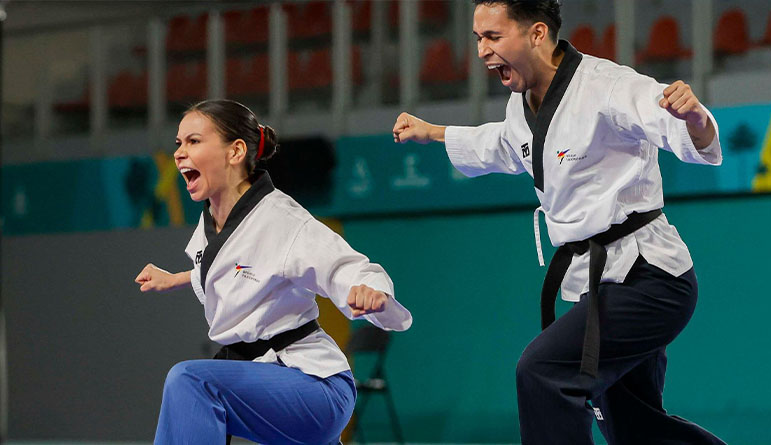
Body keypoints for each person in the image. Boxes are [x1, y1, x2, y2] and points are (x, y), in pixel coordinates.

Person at [392, 1, 724, 443]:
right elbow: (505, 145)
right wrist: (434, 132)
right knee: (633, 425)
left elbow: (662, 114)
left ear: (536, 33)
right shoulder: (521, 104)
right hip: (602, 280)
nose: (482, 52)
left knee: (544, 372)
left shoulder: (605, 86)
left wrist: (695, 118)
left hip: (650, 277)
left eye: (493, 37)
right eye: (477, 40)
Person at [135, 99, 412, 444]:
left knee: (191, 381)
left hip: (315, 384)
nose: (179, 153)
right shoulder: (214, 221)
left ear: (235, 151)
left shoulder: (282, 219)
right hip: (273, 380)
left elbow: (349, 267)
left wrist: (371, 290)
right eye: (178, 143)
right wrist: (176, 278)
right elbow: (238, 273)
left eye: (193, 141)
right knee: (195, 385)